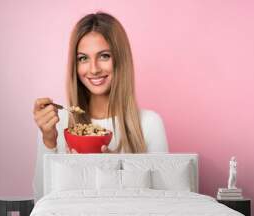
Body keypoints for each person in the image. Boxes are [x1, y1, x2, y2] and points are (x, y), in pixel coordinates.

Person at [32, 12, 168, 201]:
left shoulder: (149, 124)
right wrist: (49, 142)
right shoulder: (58, 122)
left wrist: (115, 172)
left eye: (104, 56)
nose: (94, 69)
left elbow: (165, 201)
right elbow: (40, 200)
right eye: (83, 58)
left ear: (121, 60)